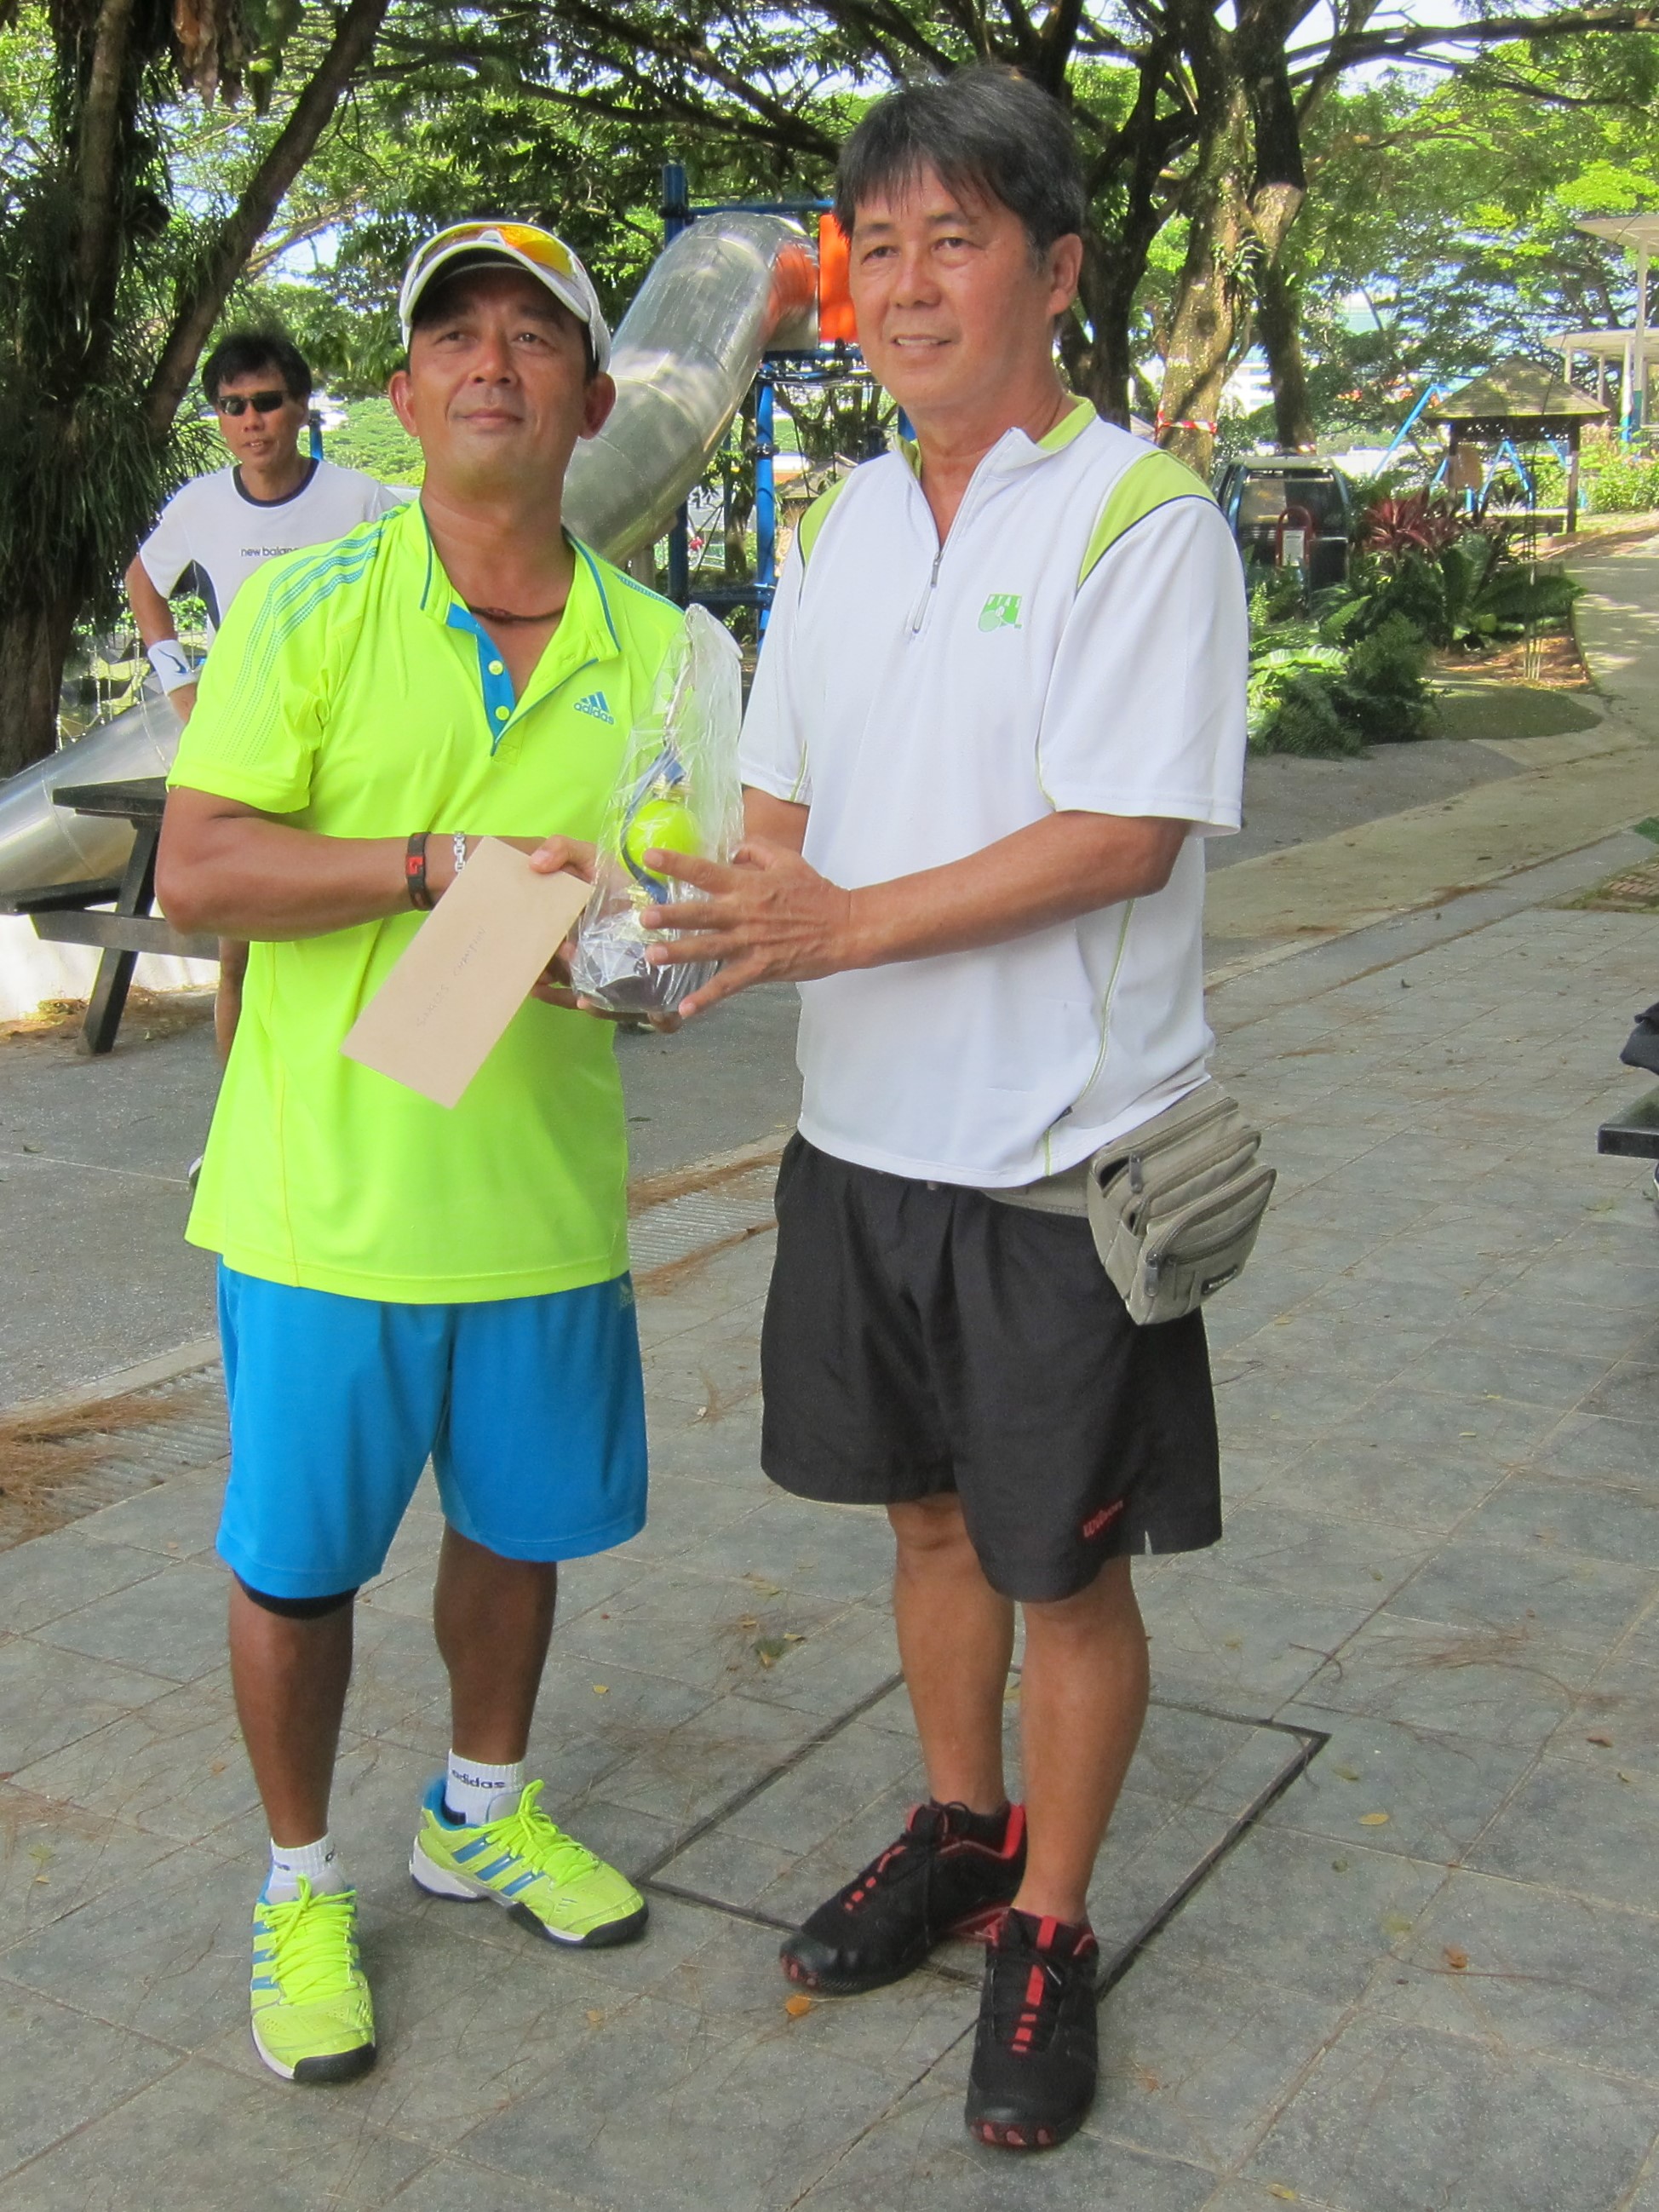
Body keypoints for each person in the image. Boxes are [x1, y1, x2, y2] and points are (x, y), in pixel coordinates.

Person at [640, 71, 1248, 2152]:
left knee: (1059, 1568)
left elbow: (1120, 834)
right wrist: (660, 926)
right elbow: (778, 820)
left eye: (952, 241)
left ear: (1054, 269)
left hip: (1056, 1166)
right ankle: (963, 1822)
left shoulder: (1138, 519)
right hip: (859, 1144)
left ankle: (1050, 1921)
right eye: (875, 248)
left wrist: (837, 923)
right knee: (919, 1519)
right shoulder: (837, 523)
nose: (904, 287)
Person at [156, 222, 688, 2086]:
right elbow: (198, 866)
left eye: (534, 337)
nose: (491, 362)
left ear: (591, 402)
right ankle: (300, 1881)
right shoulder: (309, 608)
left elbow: (674, 911)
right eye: (454, 335)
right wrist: (427, 869)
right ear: (400, 395)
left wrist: (628, 965)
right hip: (326, 1203)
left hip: (537, 1197)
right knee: (299, 1568)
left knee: (514, 1533)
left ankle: (476, 1809)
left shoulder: (662, 650)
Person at [127, 330, 402, 1060]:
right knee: (237, 952)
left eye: (267, 402)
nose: (251, 421)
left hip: (347, 738)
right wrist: (180, 684)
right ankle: (234, 1115)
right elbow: (143, 582)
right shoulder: (199, 505)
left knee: (362, 921)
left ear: (301, 407)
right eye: (233, 406)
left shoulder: (360, 498)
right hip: (246, 743)